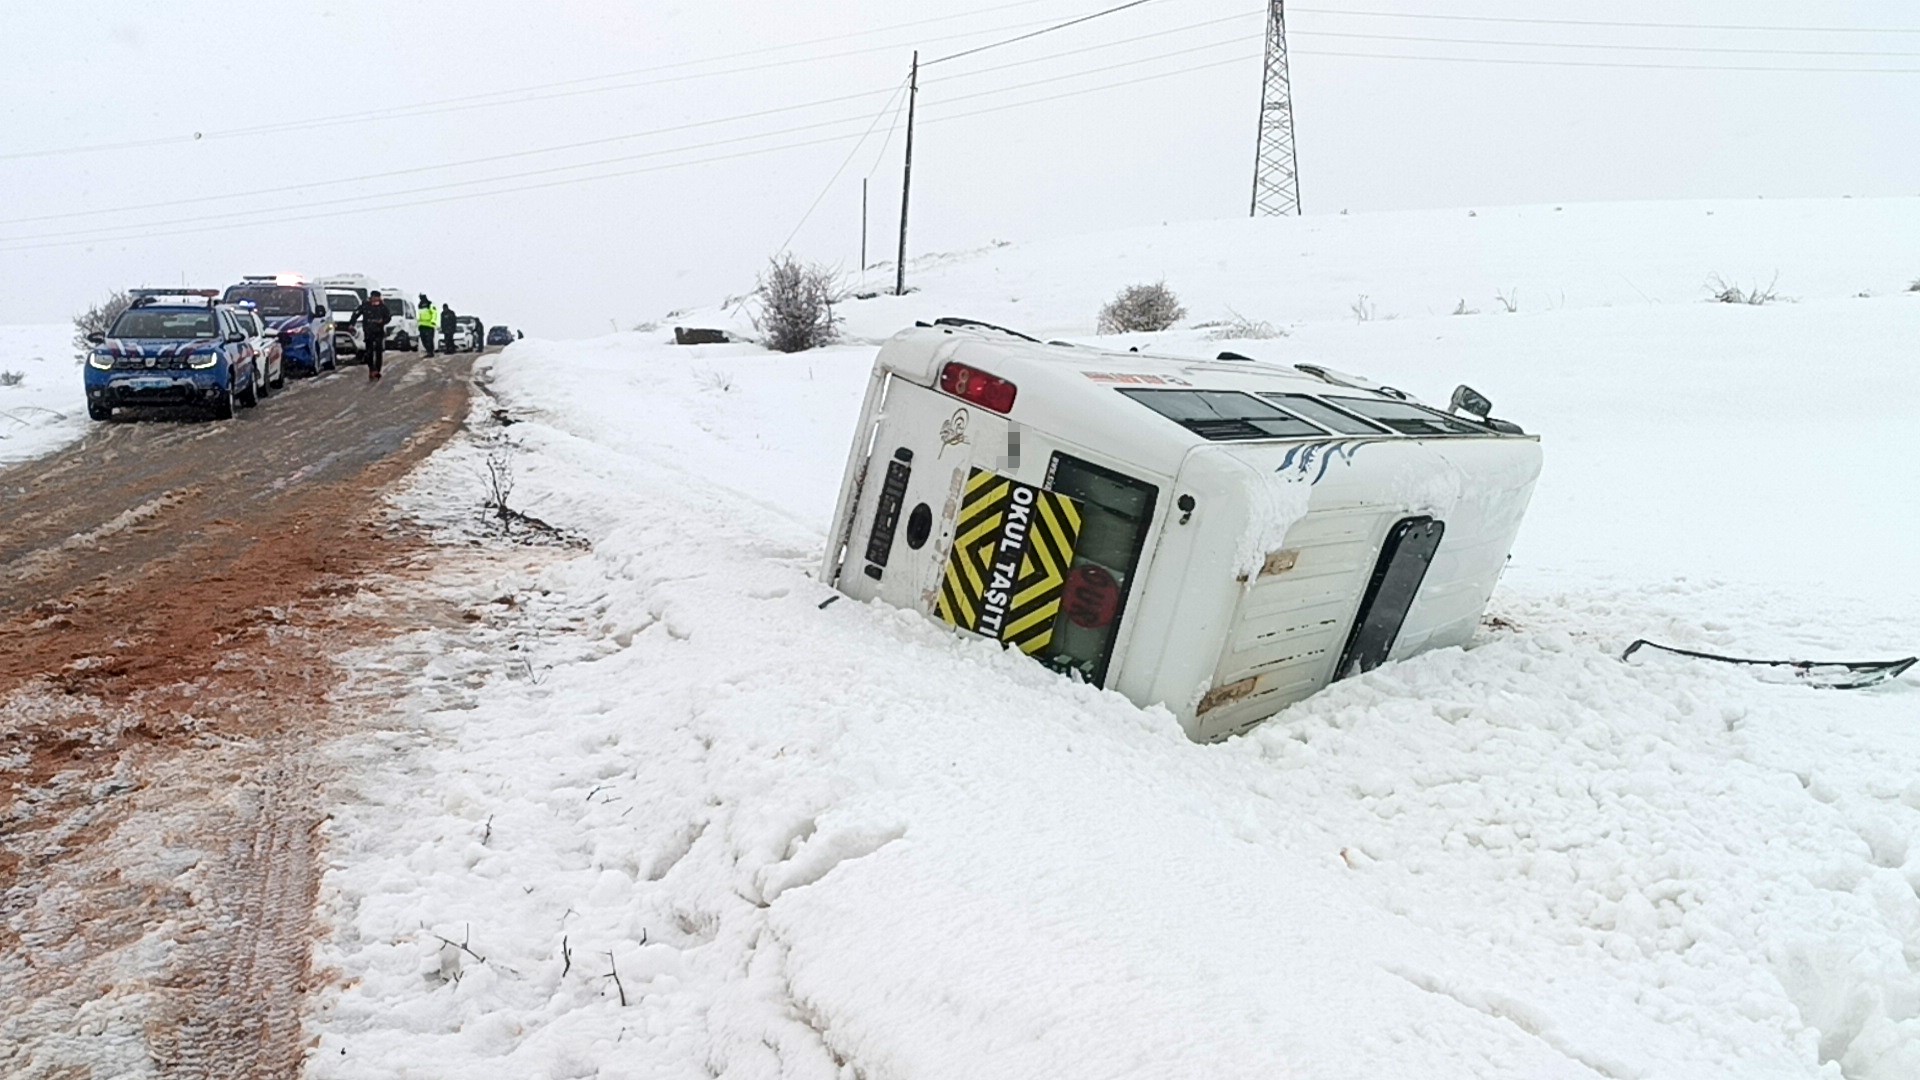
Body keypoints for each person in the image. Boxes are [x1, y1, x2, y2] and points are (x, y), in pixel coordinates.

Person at [349, 289, 392, 381]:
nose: (376, 300)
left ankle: (377, 370)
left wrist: (382, 321)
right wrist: (352, 324)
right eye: (374, 298)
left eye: (378, 298)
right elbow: (356, 314)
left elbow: (388, 317)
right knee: (369, 352)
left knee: (378, 351)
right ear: (371, 298)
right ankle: (371, 369)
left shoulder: (383, 307)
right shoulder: (365, 306)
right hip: (368, 332)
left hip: (379, 332)